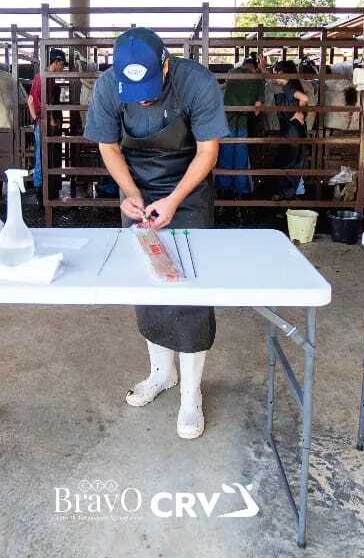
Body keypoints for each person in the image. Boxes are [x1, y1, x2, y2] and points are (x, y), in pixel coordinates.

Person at [84, 28, 228, 439]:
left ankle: (191, 394)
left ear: (165, 65)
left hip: (189, 188)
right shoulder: (109, 86)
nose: (143, 100)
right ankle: (161, 374)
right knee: (146, 283)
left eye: (149, 89)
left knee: (191, 291)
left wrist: (175, 199)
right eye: (136, 93)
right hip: (140, 187)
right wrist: (131, 195)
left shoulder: (196, 82)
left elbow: (207, 151)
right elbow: (109, 147)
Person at [216, 54, 264, 197]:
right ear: (254, 68)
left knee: (225, 154)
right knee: (241, 156)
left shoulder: (231, 74)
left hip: (226, 121)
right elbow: (257, 111)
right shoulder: (258, 81)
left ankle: (223, 191)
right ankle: (241, 192)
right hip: (242, 122)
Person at [28, 48, 67, 197]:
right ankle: (40, 191)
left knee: (45, 155)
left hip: (44, 123)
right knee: (41, 156)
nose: (62, 68)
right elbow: (32, 101)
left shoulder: (47, 77)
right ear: (55, 62)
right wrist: (40, 120)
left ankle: (46, 189)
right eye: (62, 64)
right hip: (43, 124)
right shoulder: (42, 78)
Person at [272, 59, 311, 200]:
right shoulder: (290, 84)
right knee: (293, 160)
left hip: (293, 131)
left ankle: (289, 195)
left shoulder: (289, 86)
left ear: (282, 73)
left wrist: (299, 112)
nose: (273, 76)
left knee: (290, 161)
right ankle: (297, 194)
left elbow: (304, 98)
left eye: (275, 73)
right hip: (292, 130)